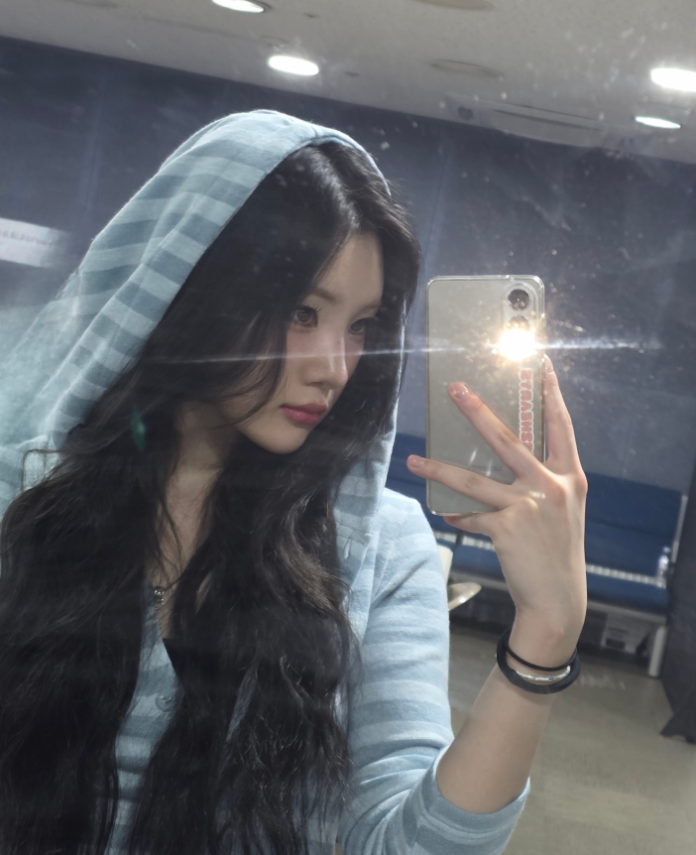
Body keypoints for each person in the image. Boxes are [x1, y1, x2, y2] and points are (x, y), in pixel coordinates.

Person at [0, 110, 588, 855]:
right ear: (195, 293)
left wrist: (545, 632)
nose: (334, 366)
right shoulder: (25, 496)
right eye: (302, 313)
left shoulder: (379, 548)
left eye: (361, 325)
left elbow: (409, 846)